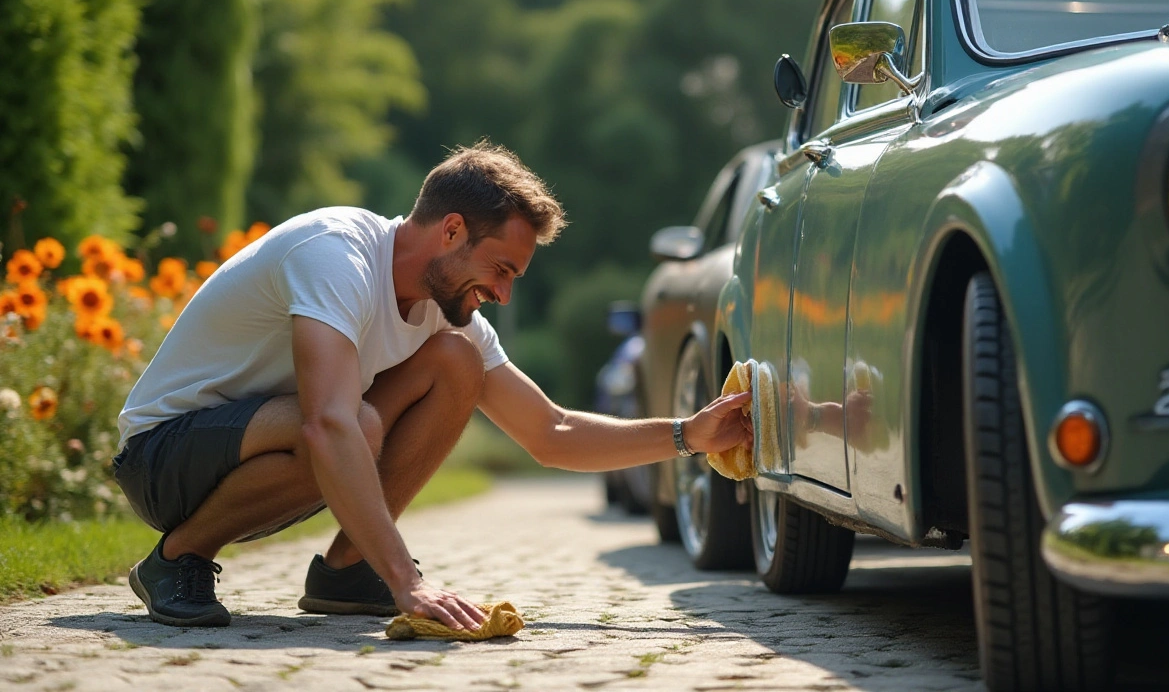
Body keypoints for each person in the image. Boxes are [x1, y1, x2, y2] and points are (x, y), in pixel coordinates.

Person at [113, 141, 753, 630]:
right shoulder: (337, 254)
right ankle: (178, 559)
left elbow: (550, 431)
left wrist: (687, 435)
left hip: (262, 447)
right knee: (352, 425)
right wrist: (408, 586)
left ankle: (346, 570)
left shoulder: (447, 314)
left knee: (457, 365)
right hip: (163, 456)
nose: (503, 294)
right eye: (500, 269)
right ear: (451, 231)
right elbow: (328, 423)